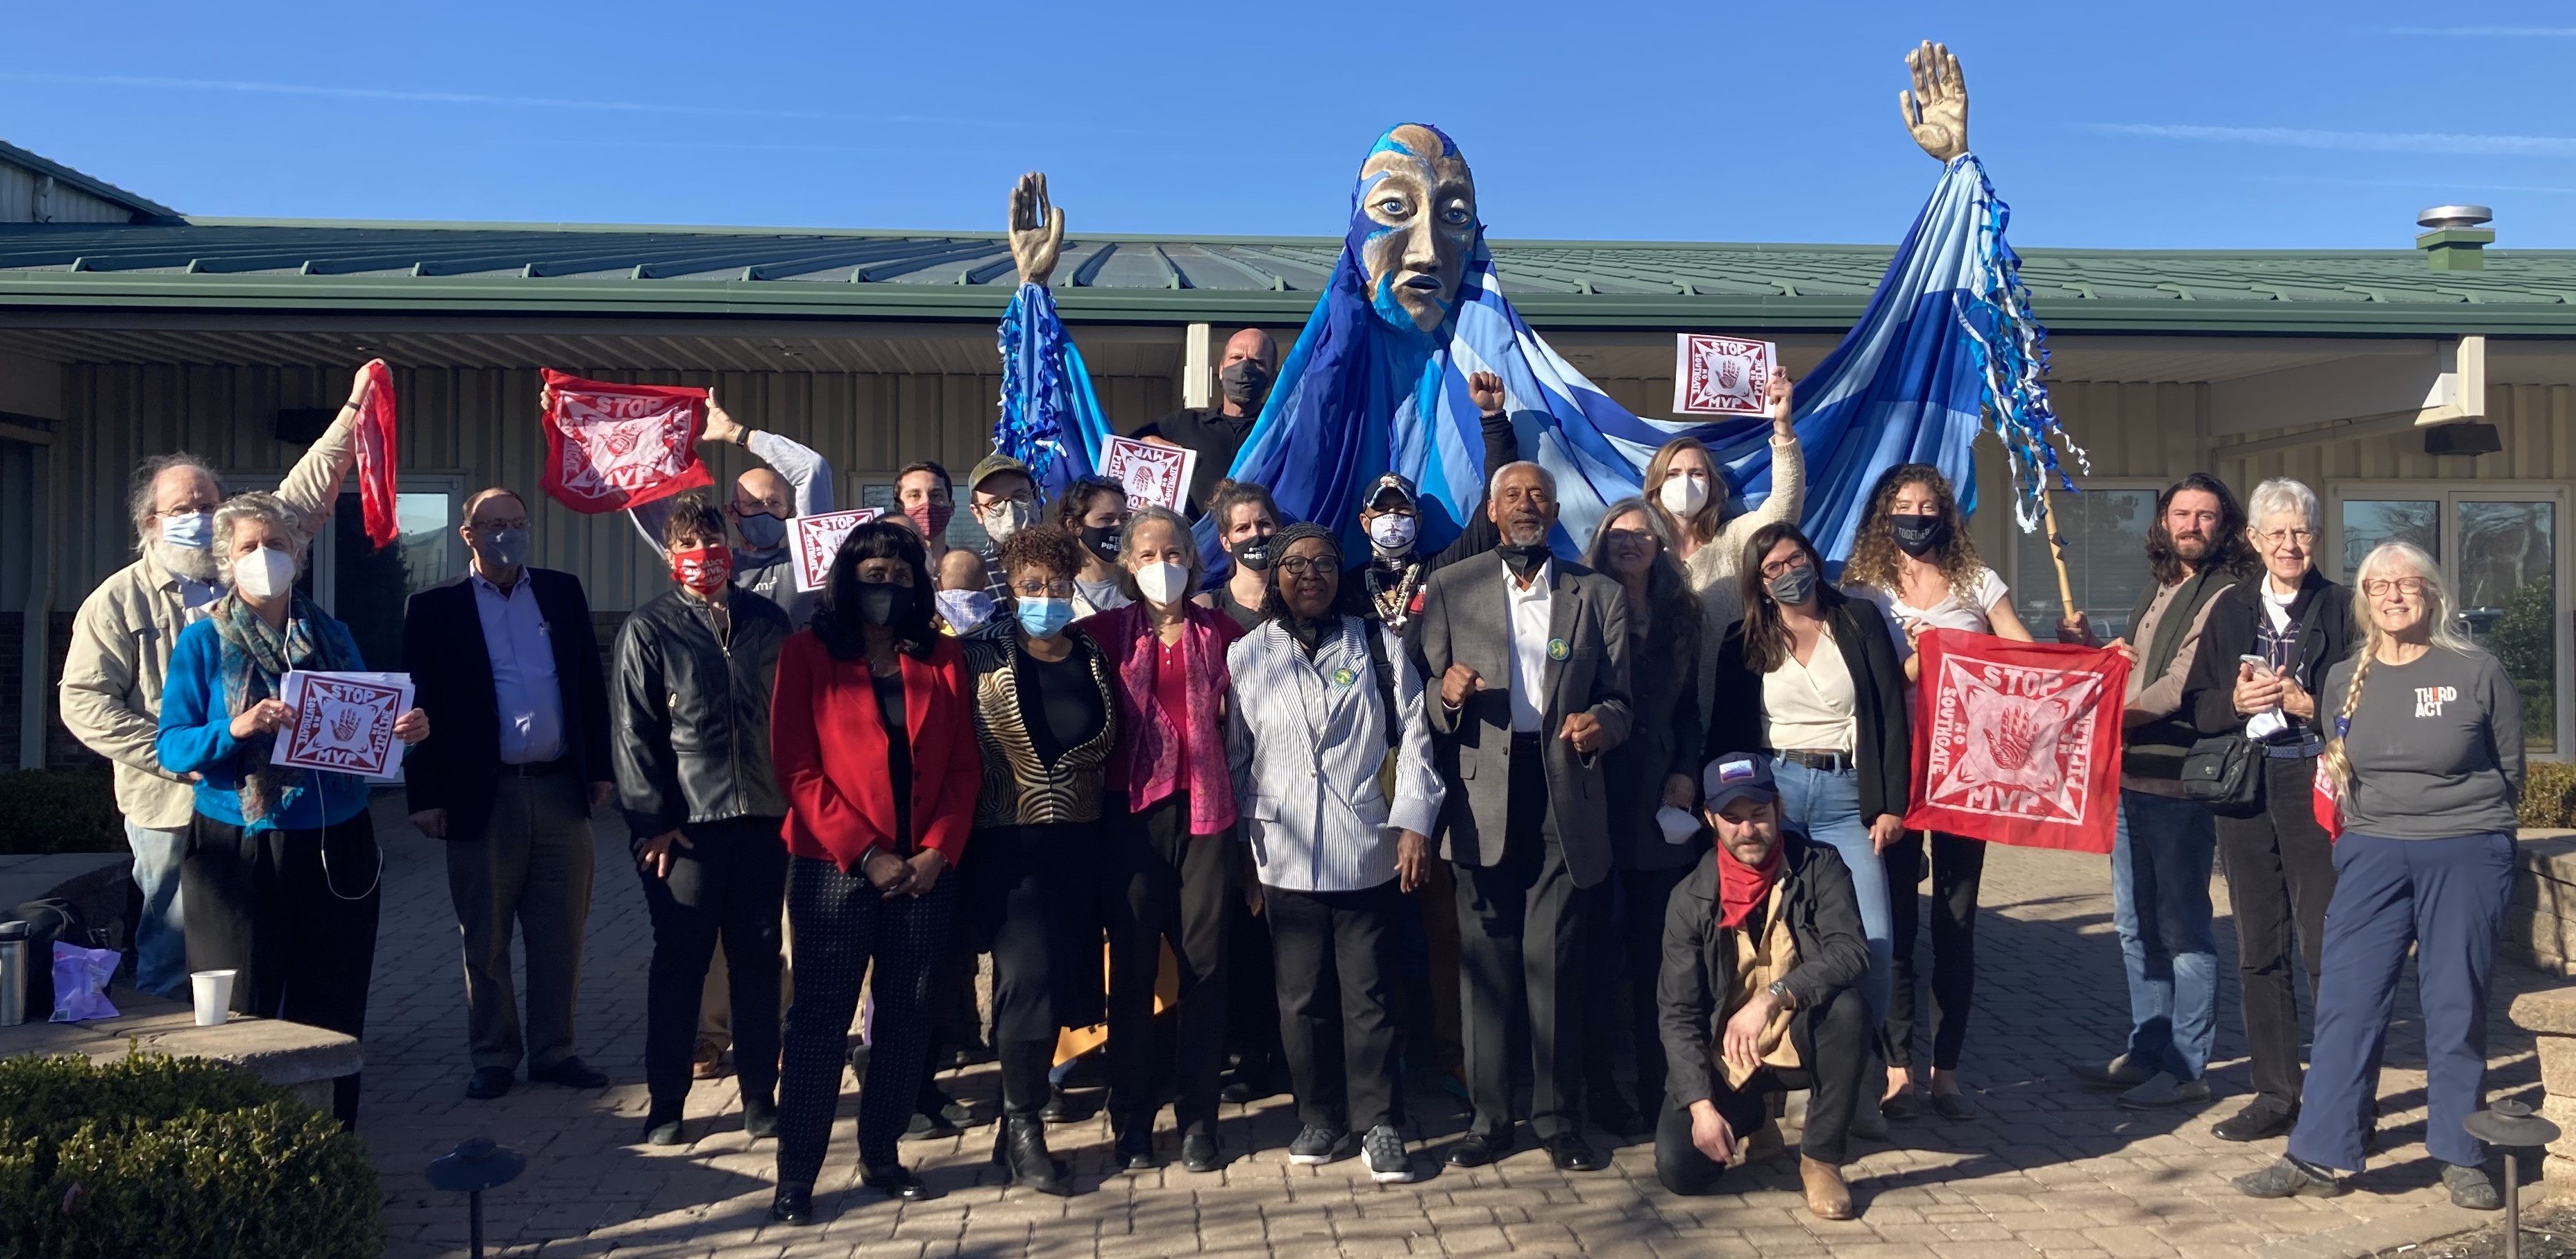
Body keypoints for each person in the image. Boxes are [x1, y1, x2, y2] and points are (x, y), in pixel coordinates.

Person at [58, 363, 371, 1002]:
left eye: (208, 506)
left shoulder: (252, 568)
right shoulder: (118, 601)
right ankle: (175, 1056)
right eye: (182, 509)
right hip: (172, 805)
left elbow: (307, 489)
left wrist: (354, 411)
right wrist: (182, 758)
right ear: (150, 522)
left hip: (278, 809)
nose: (198, 517)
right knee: (175, 951)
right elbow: (83, 703)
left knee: (262, 952)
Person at [2235, 542, 2521, 1212]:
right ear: (2365, 600)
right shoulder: (2344, 678)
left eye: (2407, 583)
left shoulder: (2477, 670)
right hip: (2371, 855)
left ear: (2433, 593)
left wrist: (2486, 842)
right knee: (2347, 1002)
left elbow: (2510, 771)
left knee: (2456, 1004)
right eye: (2378, 585)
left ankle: (2460, 1151)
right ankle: (2318, 1152)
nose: (2394, 595)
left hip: (2464, 851)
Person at [155, 491, 432, 1127]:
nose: (264, 557)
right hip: (240, 843)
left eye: (276, 545)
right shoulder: (204, 642)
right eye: (249, 547)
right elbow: (172, 746)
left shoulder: (332, 635)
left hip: (337, 838)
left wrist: (404, 731)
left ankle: (330, 1145)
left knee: (333, 1005)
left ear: (299, 557)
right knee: (240, 1006)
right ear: (226, 561)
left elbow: (366, 724)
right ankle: (239, 1146)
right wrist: (238, 726)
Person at [1412, 459, 1632, 1172]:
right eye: (1512, 494)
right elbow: (1424, 700)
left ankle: (1557, 1119)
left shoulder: (1596, 593)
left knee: (1554, 962)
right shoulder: (1451, 586)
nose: (1526, 504)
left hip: (1564, 793)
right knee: (1486, 964)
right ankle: (1487, 1119)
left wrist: (1601, 724)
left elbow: (1622, 701)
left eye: (1538, 494)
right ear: (1492, 510)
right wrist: (1446, 695)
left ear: (1556, 510)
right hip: (1482, 798)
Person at [769, 521, 981, 1222]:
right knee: (819, 1022)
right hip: (835, 865)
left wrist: (937, 851)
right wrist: (865, 852)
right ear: (847, 581)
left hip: (923, 870)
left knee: (904, 1016)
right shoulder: (805, 654)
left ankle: (882, 1153)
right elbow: (796, 767)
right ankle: (797, 1175)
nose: (886, 586)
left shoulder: (942, 656)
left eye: (899, 575)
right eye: (873, 574)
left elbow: (962, 767)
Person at [1226, 523, 1443, 1184]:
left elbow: (1415, 736)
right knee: (1300, 999)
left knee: (1369, 995)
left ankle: (1379, 1122)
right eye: (1295, 564)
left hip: (1364, 849)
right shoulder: (1247, 655)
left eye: (1323, 563)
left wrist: (1414, 825)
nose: (1310, 575)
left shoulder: (1376, 643)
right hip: (1282, 851)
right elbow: (1237, 758)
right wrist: (1242, 853)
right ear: (1275, 576)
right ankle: (1319, 1115)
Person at [402, 488, 616, 1101]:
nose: (507, 533)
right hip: (481, 794)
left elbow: (588, 685)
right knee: (486, 935)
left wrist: (599, 769)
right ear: (468, 534)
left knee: (561, 933)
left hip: (558, 788)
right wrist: (424, 795)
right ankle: (494, 1053)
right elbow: (416, 705)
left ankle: (555, 1050)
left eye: (517, 522)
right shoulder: (435, 607)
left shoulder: (561, 592)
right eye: (494, 524)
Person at [1842, 462, 2033, 1119]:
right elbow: (1857, 679)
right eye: (1904, 505)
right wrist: (1911, 663)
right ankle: (1898, 1069)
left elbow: (2025, 657)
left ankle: (1945, 1071)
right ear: (1883, 514)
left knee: (1956, 922)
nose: (1916, 516)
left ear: (1946, 514)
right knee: (1894, 921)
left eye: (1928, 506)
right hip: (1894, 770)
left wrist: (2083, 655)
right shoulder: (1863, 588)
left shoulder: (1978, 582)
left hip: (1966, 775)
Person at [1706, 521, 1910, 1133]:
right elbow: (1726, 732)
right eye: (1771, 568)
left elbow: (1889, 712)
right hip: (1777, 796)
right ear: (1759, 582)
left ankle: (1856, 1082)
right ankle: (1787, 1080)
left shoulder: (1859, 621)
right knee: (1784, 939)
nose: (1787, 573)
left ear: (1813, 560)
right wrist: (1729, 814)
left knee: (1874, 942)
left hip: (1850, 794)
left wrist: (1890, 804)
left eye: (1794, 559)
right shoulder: (1742, 639)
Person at [2065, 474, 2252, 1114]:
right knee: (2134, 926)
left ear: (2225, 525)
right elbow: (2142, 670)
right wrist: (2097, 657)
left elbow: (2178, 686)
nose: (2192, 525)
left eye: (2206, 515)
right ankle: (2146, 1051)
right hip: (2128, 780)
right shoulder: (2162, 587)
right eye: (2181, 513)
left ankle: (2187, 1066)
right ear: (2164, 521)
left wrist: (2103, 718)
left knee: (2184, 929)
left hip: (2179, 785)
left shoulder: (2225, 595)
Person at [2177, 479, 2357, 1136]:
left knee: (2325, 947)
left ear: (2318, 536)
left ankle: (2344, 1098)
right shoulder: (2231, 609)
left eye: (2301, 532)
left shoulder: (2344, 608)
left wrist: (2315, 707)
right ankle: (2276, 1094)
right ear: (2253, 539)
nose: (2289, 545)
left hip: (2315, 782)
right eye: (2276, 533)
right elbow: (2197, 706)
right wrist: (2236, 704)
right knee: (2259, 947)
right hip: (2246, 786)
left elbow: (2369, 701)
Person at [611, 497, 793, 1148]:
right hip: (686, 829)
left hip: (763, 819)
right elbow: (634, 733)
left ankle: (760, 1096)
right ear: (670, 555)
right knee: (681, 961)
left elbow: (793, 717)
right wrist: (652, 822)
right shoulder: (648, 628)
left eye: (711, 540)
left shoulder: (769, 623)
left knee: (758, 959)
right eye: (688, 544)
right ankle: (666, 1103)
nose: (702, 555)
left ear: (730, 548)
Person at [1076, 505, 1245, 1172]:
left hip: (1208, 817)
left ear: (1194, 560)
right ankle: (1132, 1121)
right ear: (1127, 564)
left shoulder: (1224, 633)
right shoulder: (1101, 635)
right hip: (1132, 820)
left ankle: (1199, 1120)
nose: (1161, 566)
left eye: (1173, 553)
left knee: (1207, 968)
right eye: (1147, 555)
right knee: (1134, 971)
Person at [960, 525, 1118, 1196]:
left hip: (1078, 847)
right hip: (1004, 846)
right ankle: (1024, 1125)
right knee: (1026, 979)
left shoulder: (1092, 655)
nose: (1046, 598)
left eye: (1057, 586)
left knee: (1054, 982)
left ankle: (1013, 1120)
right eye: (1032, 586)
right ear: (1010, 586)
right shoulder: (974, 655)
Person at [1655, 752, 1872, 1220]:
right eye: (1732, 819)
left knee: (1849, 1009)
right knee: (1681, 1170)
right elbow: (1678, 1013)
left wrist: (1772, 998)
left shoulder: (1820, 866)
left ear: (1778, 808)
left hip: (1799, 1034)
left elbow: (1852, 951)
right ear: (1711, 820)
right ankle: (1754, 1116)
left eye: (1757, 814)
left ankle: (1821, 1158)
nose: (1748, 830)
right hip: (1731, 1054)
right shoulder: (1688, 899)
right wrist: (1701, 1108)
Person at [1574, 498, 1709, 1135]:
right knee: (1598, 954)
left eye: (1642, 535)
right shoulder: (1578, 603)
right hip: (1597, 793)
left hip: (1661, 802)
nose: (1630, 543)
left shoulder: (1683, 614)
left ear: (1661, 547)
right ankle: (1600, 1086)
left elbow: (1690, 709)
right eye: (1618, 534)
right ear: (1601, 543)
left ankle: (1665, 1086)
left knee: (1661, 952)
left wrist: (1687, 770)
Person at [1640, 371, 1800, 713]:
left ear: (1712, 486)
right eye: (1673, 474)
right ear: (1656, 486)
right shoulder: (1638, 550)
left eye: (1696, 473)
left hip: (1726, 714)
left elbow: (1783, 509)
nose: (1686, 482)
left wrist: (1782, 428)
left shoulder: (1732, 541)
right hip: (1650, 721)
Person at [624, 395, 836, 630]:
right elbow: (645, 495)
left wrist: (737, 434)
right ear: (732, 512)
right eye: (754, 504)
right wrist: (668, 449)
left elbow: (812, 469)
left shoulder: (808, 559)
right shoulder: (710, 559)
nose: (766, 510)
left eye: (775, 503)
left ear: (790, 511)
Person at [1335, 371, 1519, 630]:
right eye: (1382, 509)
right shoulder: (1344, 586)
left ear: (1419, 520)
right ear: (1365, 522)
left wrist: (1493, 417)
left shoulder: (1443, 569)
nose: (1392, 516)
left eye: (1402, 508)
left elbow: (1497, 496)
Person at [1134, 328, 1278, 515]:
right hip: (1192, 533)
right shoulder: (1184, 423)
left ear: (1271, 377)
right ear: (1221, 370)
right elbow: (1121, 452)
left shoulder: (1279, 431)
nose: (1243, 367)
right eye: (1236, 357)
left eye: (1256, 362)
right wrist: (1147, 442)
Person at [1203, 480, 1282, 632]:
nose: (1255, 534)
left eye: (1264, 524)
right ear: (1226, 542)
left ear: (1278, 530)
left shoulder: (1302, 596)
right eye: (1243, 528)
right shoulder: (1206, 608)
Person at [965, 452, 1041, 601]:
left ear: (1037, 497)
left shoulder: (1071, 564)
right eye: (995, 503)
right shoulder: (973, 575)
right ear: (977, 513)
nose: (1010, 510)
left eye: (1020, 496)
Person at [1058, 475, 1133, 616]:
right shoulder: (1056, 593)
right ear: (1074, 526)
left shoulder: (1142, 585)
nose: (1118, 526)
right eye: (1107, 519)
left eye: (1124, 519)